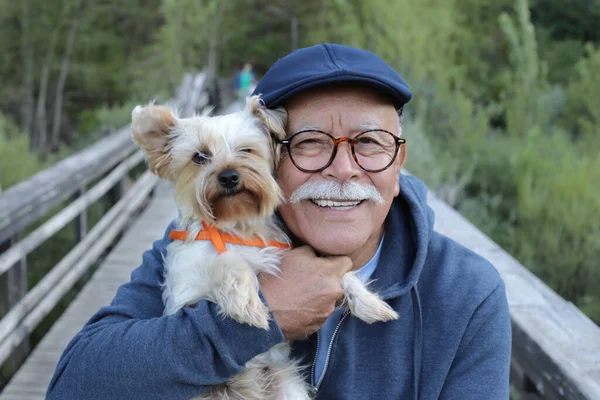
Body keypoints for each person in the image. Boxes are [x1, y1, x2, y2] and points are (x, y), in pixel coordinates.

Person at [46, 43, 511, 399]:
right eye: (310, 142)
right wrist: (250, 322)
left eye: (369, 142)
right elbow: (72, 385)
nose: (344, 169)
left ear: (399, 161)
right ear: (274, 156)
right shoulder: (202, 243)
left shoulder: (466, 292)